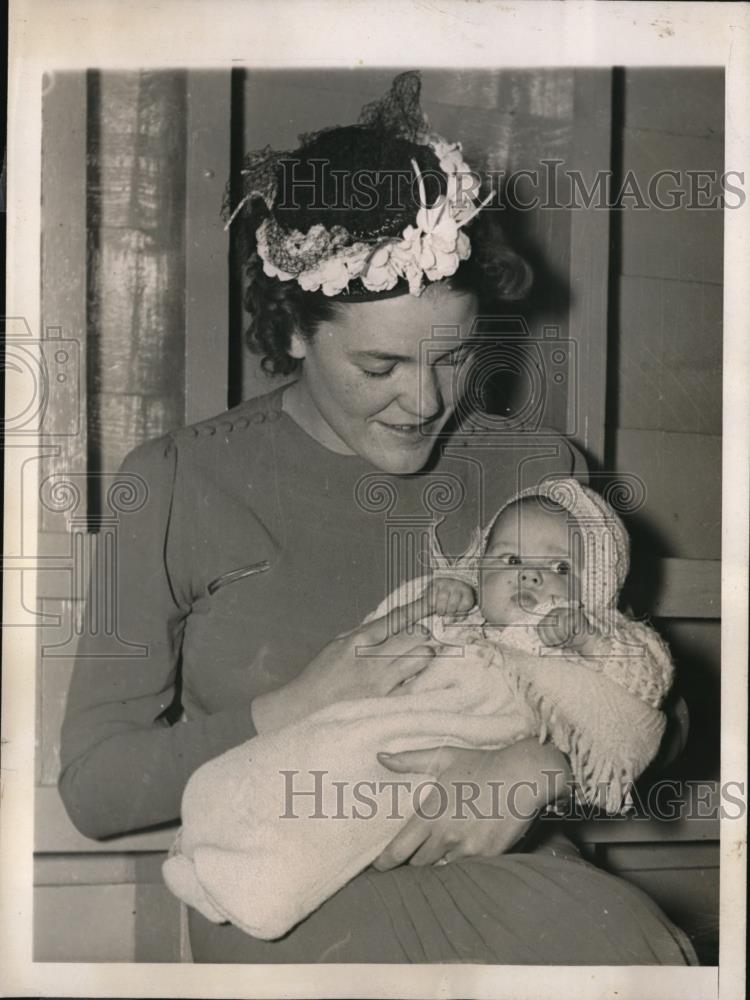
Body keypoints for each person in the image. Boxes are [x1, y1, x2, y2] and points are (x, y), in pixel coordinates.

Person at [58, 71, 697, 964]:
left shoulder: (536, 473)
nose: (425, 401)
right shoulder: (174, 480)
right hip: (291, 896)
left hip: (520, 884)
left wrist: (537, 774)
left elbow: (650, 706)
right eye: (380, 368)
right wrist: (292, 705)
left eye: (456, 358)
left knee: (636, 950)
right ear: (290, 331)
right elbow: (94, 787)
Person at [161, 479, 675, 941]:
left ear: (598, 589)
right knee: (289, 765)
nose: (532, 578)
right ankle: (209, 832)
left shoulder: (571, 655)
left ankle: (258, 890)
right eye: (510, 561)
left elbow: (643, 701)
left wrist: (544, 757)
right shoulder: (463, 620)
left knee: (335, 820)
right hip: (387, 727)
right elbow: (379, 641)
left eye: (559, 567)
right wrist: (440, 599)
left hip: (445, 783)